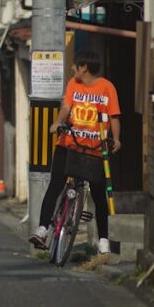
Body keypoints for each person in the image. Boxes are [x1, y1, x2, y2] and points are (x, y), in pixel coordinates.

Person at [29, 50, 121, 255]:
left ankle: (103, 240)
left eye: (75, 65)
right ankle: (43, 229)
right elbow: (66, 107)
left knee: (98, 194)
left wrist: (116, 138)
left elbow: (114, 117)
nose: (72, 69)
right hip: (69, 143)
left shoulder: (107, 88)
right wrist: (58, 122)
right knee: (55, 185)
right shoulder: (73, 84)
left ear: (84, 68)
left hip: (95, 148)